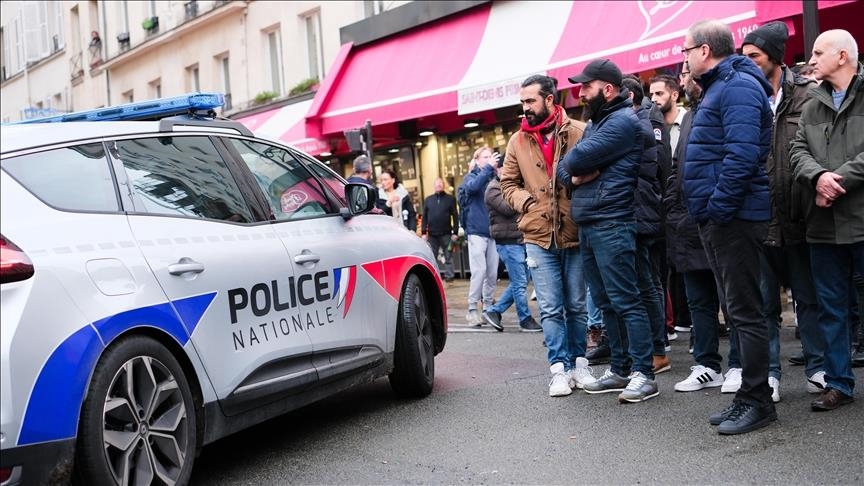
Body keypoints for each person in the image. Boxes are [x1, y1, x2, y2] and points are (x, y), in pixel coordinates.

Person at [681, 20, 774, 435]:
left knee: (746, 312)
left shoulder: (735, 86)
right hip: (719, 218)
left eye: (685, 50)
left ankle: (757, 400)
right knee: (736, 310)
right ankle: (746, 397)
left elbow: (742, 155)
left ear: (704, 50)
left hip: (733, 218)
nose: (682, 57)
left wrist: (717, 207)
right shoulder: (720, 85)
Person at [558, 59, 657, 403]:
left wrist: (574, 169)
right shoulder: (598, 122)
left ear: (608, 89)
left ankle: (644, 373)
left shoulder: (621, 122)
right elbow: (565, 169)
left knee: (627, 300)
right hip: (591, 220)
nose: (580, 92)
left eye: (586, 86)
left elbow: (572, 161)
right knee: (605, 301)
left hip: (612, 221)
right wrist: (575, 174)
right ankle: (620, 368)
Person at [741, 20, 824, 404]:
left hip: (798, 212)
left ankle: (818, 367)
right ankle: (769, 375)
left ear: (774, 57)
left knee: (808, 296)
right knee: (764, 303)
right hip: (757, 214)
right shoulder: (743, 94)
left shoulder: (808, 95)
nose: (748, 63)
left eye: (754, 56)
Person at [500, 74, 596, 397]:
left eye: (530, 101)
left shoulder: (580, 132)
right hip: (537, 234)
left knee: (577, 305)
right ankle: (558, 369)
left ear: (550, 100)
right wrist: (525, 202)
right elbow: (507, 184)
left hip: (574, 229)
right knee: (552, 307)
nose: (524, 108)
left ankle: (580, 365)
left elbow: (597, 174)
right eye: (522, 102)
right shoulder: (517, 141)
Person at [790, 29, 863, 412]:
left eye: (818, 53)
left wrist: (838, 180)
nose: (811, 60)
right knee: (831, 308)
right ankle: (838, 384)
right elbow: (796, 150)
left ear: (842, 56)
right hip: (823, 225)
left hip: (860, 219)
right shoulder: (812, 103)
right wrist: (818, 177)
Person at [667, 65, 729, 394]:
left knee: (735, 301)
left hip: (719, 218)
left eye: (687, 73)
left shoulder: (722, 102)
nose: (682, 81)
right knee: (699, 302)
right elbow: (677, 165)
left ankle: (740, 365)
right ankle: (707, 364)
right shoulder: (691, 115)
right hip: (687, 223)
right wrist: (673, 209)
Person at [622, 75, 670, 375]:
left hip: (644, 212)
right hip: (641, 210)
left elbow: (662, 169)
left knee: (647, 282)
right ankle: (654, 346)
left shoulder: (647, 122)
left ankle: (657, 348)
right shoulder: (640, 119)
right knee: (646, 281)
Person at [649, 74, 693, 337]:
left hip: (685, 205)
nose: (654, 99)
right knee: (663, 268)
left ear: (674, 94)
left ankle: (690, 320)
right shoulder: (651, 126)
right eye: (651, 94)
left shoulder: (688, 122)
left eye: (659, 94)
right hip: (659, 208)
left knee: (687, 267)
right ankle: (672, 322)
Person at [483, 163, 540, 332]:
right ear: (498, 170)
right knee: (520, 282)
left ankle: (494, 311)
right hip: (507, 241)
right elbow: (509, 208)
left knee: (520, 281)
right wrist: (525, 197)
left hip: (520, 238)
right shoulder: (492, 189)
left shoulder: (514, 187)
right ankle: (525, 319)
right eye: (505, 167)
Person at [460, 146, 499, 326]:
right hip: (476, 231)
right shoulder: (471, 177)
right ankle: (472, 308)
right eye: (485, 157)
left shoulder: (493, 175)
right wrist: (489, 169)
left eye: (490, 156)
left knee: (492, 273)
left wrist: (497, 171)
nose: (489, 159)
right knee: (479, 271)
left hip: (492, 231)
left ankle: (488, 308)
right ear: (476, 161)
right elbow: (473, 188)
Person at [421, 178, 460, 282]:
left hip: (446, 233)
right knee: (432, 257)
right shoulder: (428, 200)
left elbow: (455, 216)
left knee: (448, 255)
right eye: (436, 184)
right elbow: (424, 217)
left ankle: (449, 277)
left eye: (440, 184)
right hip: (432, 234)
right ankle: (434, 276)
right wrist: (424, 232)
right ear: (434, 186)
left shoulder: (450, 199)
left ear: (443, 186)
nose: (438, 186)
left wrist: (455, 232)